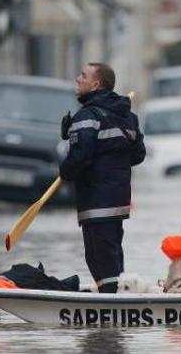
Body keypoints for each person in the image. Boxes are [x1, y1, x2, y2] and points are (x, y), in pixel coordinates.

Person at [59, 63, 145, 293]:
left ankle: (112, 309)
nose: (78, 79)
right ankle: (116, 299)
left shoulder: (87, 116)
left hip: (96, 201)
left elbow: (80, 157)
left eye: (83, 76)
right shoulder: (127, 117)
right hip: (117, 203)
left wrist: (64, 171)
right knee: (111, 255)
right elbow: (138, 155)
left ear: (96, 83)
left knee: (100, 259)